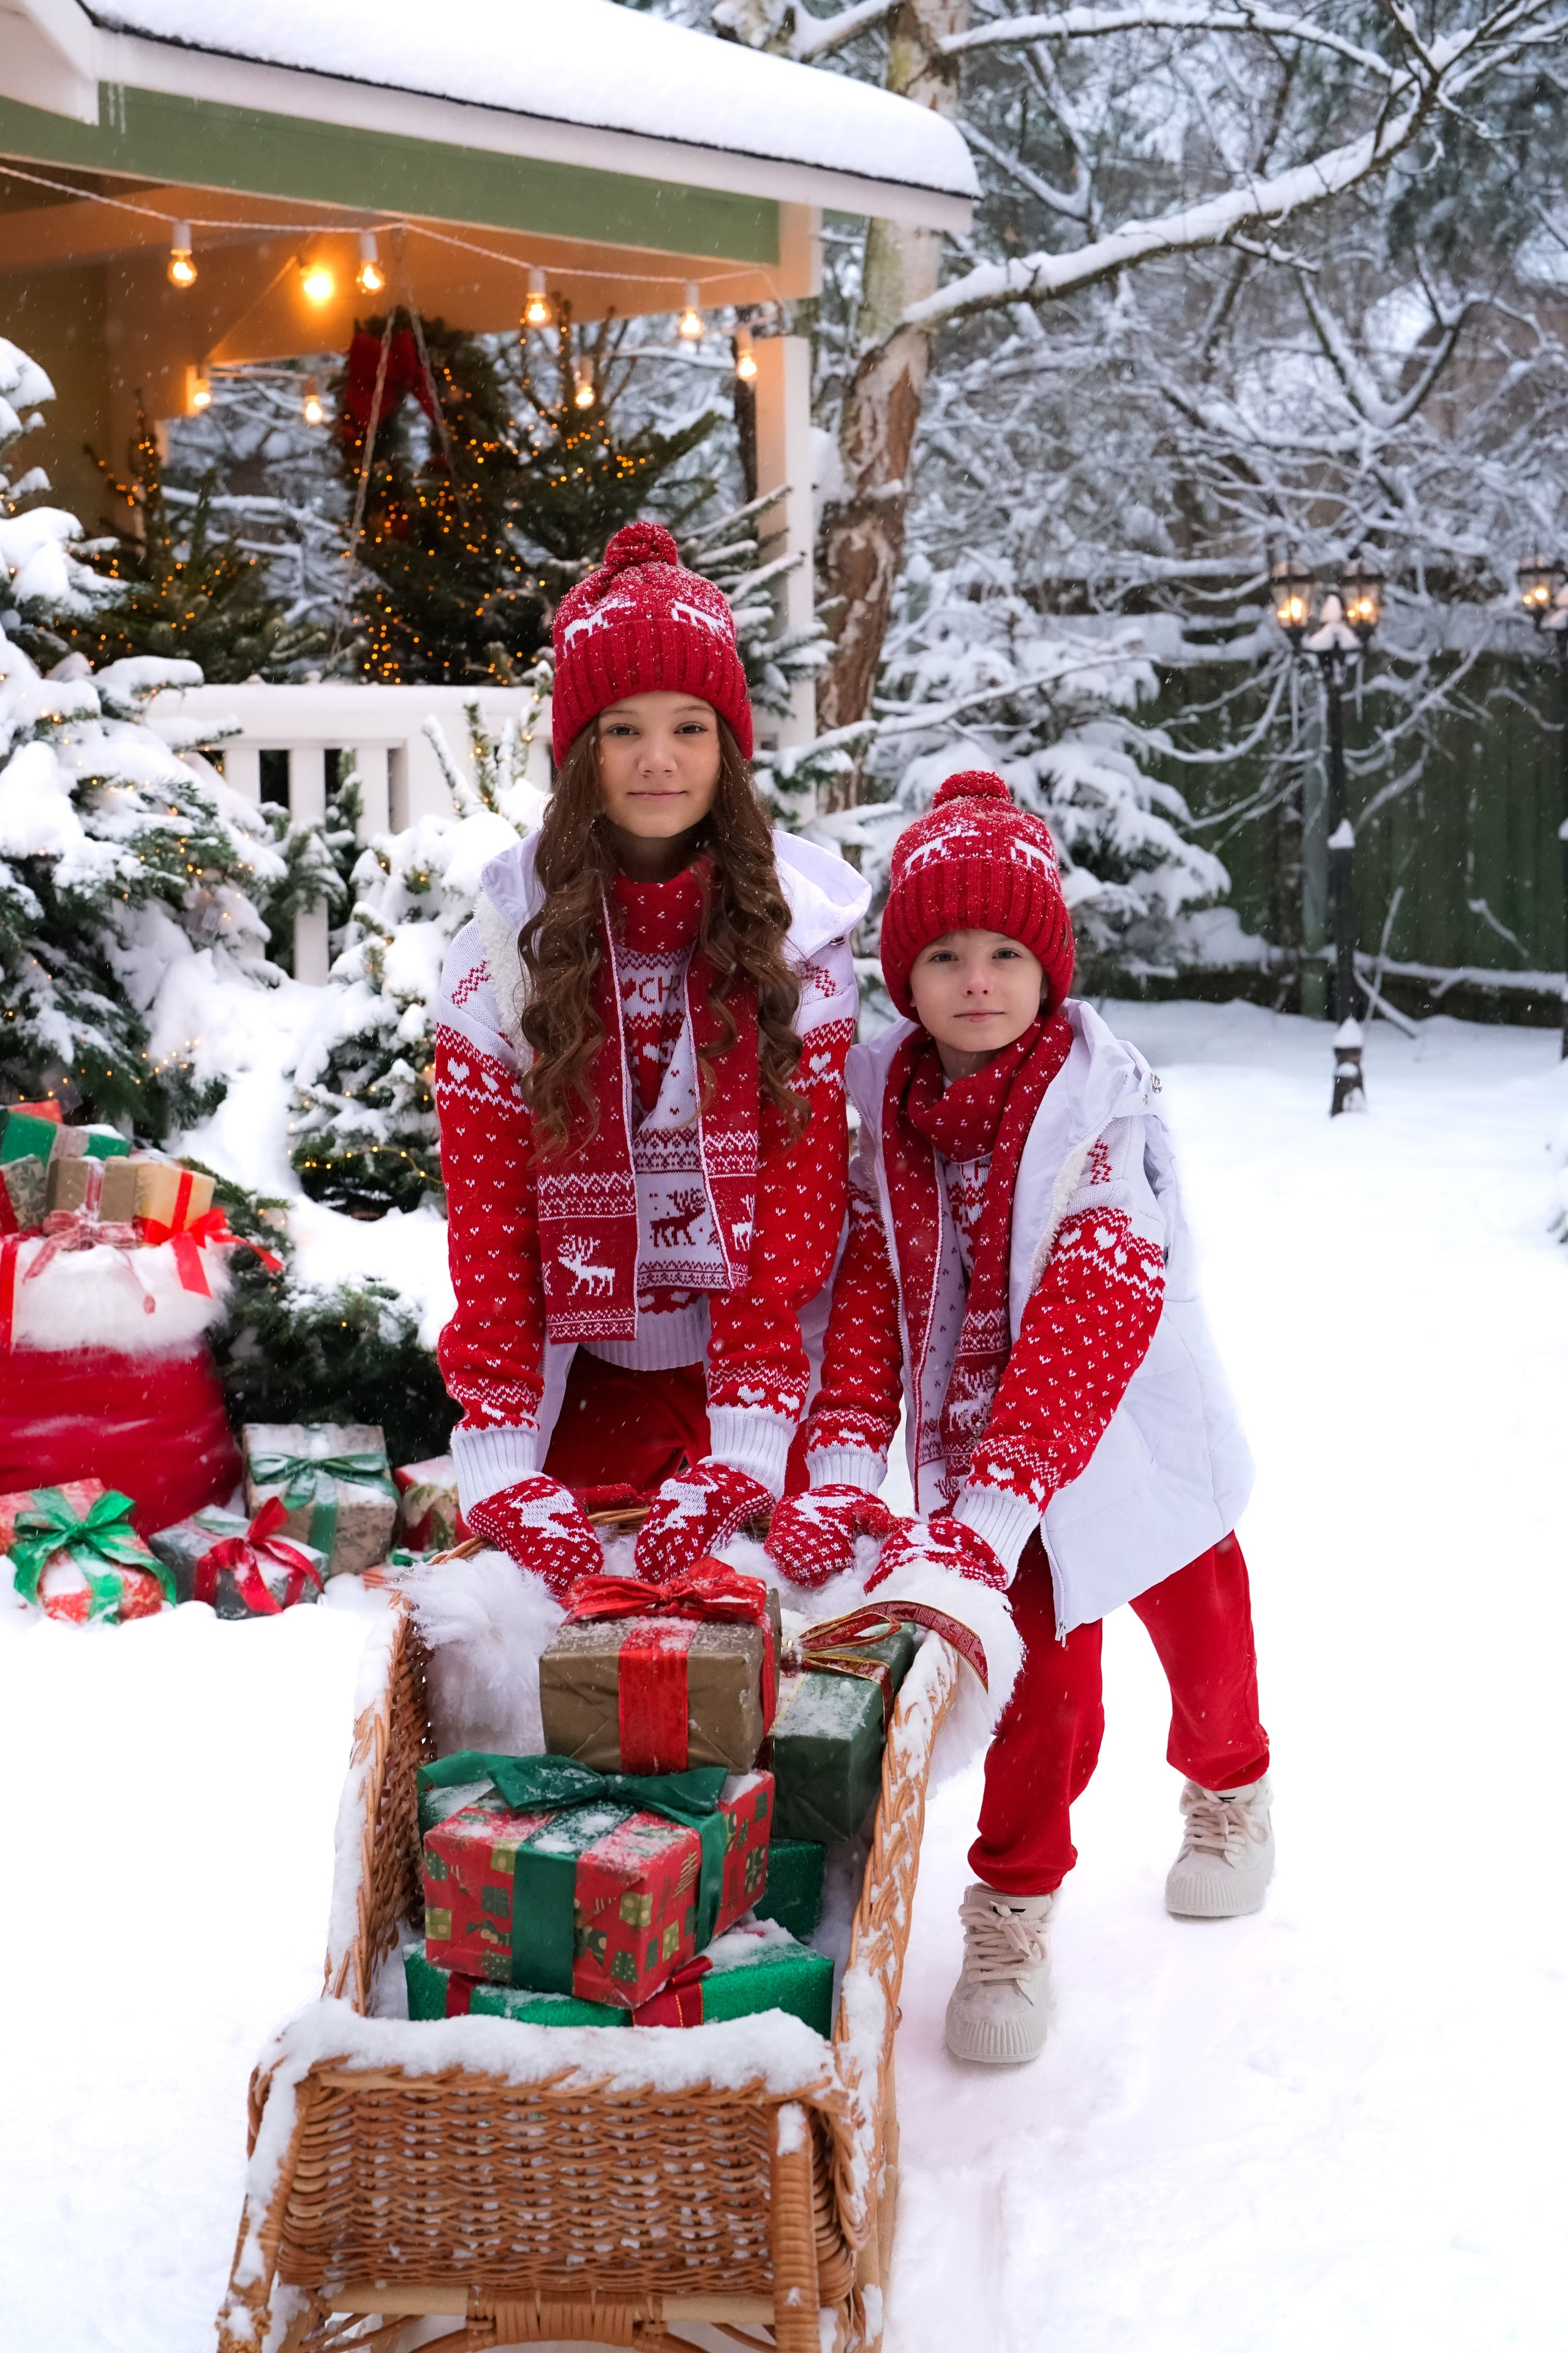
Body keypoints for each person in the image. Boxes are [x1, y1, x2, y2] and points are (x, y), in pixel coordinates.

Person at [766, 769, 1271, 2066]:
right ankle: (1013, 1909)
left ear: (1048, 968)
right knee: (1038, 1696)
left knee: (1203, 1646)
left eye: (1003, 951)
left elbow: (1096, 1298)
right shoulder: (885, 1106)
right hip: (981, 1476)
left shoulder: (1107, 1102)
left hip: (1124, 1441)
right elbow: (866, 1293)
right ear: (903, 973)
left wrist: (1004, 1491)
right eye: (942, 953)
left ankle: (1229, 1787)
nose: (975, 979)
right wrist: (839, 1460)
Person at [434, 521, 868, 1592]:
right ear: (581, 753)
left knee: (760, 1676)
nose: (659, 760)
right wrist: (496, 1461)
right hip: (582, 1385)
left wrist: (752, 1451)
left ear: (730, 748)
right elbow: (492, 1226)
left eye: (690, 726)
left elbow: (797, 1206)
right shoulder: (500, 955)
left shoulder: (798, 946)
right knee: (572, 1676)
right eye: (623, 729)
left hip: (760, 1382)